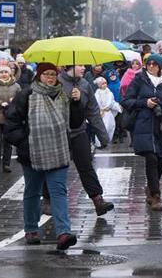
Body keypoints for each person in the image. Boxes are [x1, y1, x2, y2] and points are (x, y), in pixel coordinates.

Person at [4, 63, 77, 250]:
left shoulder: (64, 95)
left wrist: (77, 103)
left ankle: (63, 233)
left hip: (58, 151)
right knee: (33, 191)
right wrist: (25, 143)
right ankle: (31, 229)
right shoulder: (26, 95)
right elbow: (11, 122)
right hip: (32, 152)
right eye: (46, 74)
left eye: (53, 74)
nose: (50, 77)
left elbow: (75, 122)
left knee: (58, 191)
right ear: (39, 76)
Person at [122, 54, 162, 210]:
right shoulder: (139, 80)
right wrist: (144, 103)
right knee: (151, 158)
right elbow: (126, 101)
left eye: (155, 64)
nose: (151, 66)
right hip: (144, 125)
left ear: (160, 66)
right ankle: (156, 195)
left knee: (161, 159)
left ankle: (150, 187)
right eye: (149, 64)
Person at [56, 65, 114, 216]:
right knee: (56, 168)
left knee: (86, 166)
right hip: (59, 134)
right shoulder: (57, 82)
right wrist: (70, 99)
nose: (83, 68)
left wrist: (103, 137)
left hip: (79, 132)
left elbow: (93, 111)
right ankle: (49, 200)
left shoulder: (84, 84)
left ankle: (98, 200)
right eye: (80, 65)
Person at [0, 65, 20, 174]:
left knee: (8, 141)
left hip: (10, 117)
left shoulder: (16, 86)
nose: (4, 74)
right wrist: (0, 103)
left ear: (10, 73)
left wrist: (14, 100)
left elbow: (21, 100)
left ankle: (6, 164)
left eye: (6, 72)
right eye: (1, 72)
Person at [93, 77, 122, 147]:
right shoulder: (97, 93)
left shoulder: (109, 93)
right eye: (102, 84)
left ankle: (106, 141)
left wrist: (118, 107)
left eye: (105, 83)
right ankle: (99, 143)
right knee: (101, 128)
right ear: (99, 85)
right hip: (100, 113)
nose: (104, 85)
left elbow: (112, 102)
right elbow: (95, 103)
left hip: (108, 113)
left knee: (110, 127)